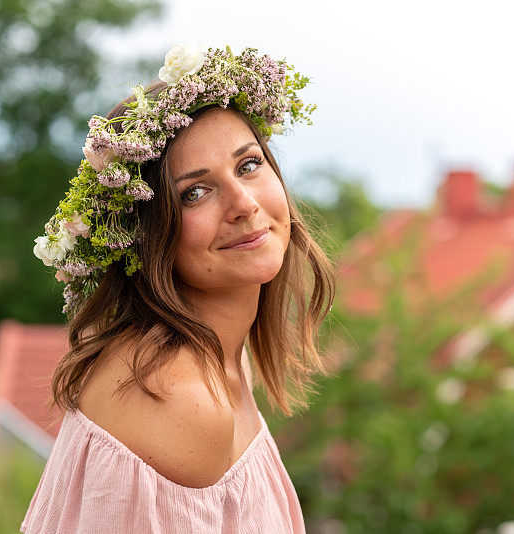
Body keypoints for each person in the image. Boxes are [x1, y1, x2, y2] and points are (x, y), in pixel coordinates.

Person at [23, 43, 335, 533]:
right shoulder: (175, 394)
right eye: (195, 192)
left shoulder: (225, 362)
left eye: (248, 165)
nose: (243, 204)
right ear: (149, 235)